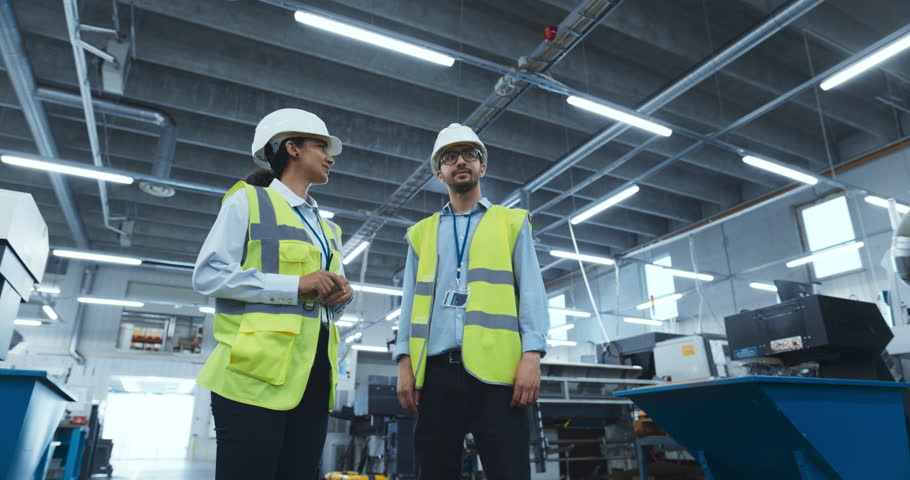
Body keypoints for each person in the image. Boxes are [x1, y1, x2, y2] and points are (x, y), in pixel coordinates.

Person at [193, 108, 353, 479]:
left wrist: (341, 298)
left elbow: (323, 305)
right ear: (292, 148)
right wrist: (295, 285)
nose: (330, 157)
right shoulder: (247, 202)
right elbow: (208, 275)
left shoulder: (329, 230)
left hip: (312, 377)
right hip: (253, 378)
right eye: (321, 146)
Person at [394, 123, 550, 480]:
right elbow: (410, 305)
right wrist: (404, 362)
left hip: (499, 376)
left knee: (509, 471)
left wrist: (532, 355)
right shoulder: (421, 234)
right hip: (436, 374)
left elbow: (532, 293)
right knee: (434, 472)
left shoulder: (512, 223)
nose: (460, 161)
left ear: (483, 167)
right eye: (449, 156)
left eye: (470, 154)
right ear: (439, 172)